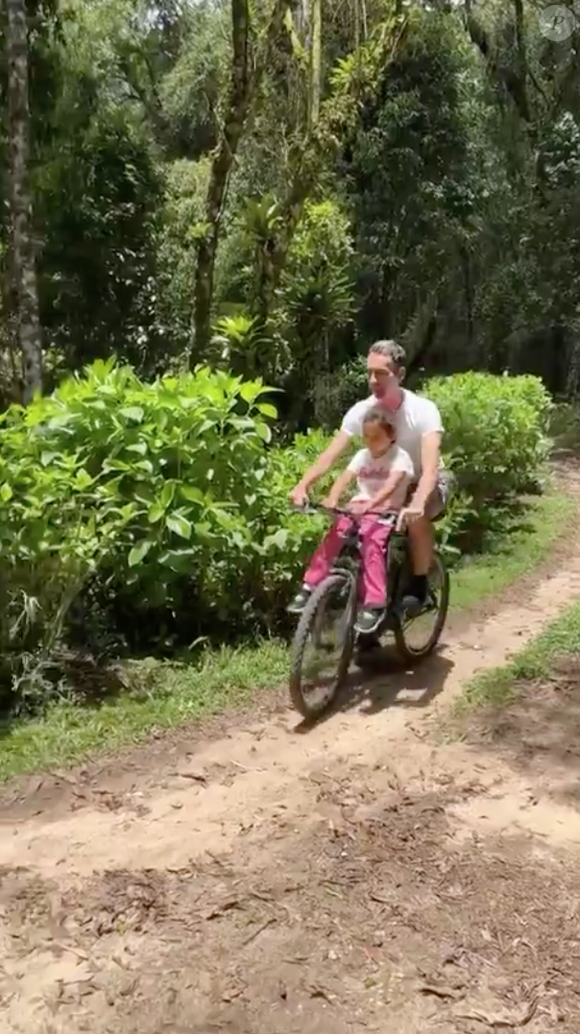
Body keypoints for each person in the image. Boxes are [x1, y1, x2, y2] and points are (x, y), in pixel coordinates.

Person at [290, 339, 453, 612]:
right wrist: (303, 486)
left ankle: (420, 583)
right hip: (383, 481)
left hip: (425, 479)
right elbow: (330, 455)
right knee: (354, 529)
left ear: (400, 375)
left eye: (381, 373)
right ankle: (367, 612)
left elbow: (430, 468)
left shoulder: (423, 411)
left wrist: (416, 503)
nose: (373, 380)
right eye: (369, 373)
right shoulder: (363, 410)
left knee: (417, 513)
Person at [288, 409, 414, 634]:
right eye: (366, 436)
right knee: (335, 535)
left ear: (391, 435)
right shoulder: (362, 456)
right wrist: (333, 497)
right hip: (360, 508)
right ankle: (311, 585)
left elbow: (391, 485)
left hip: (386, 510)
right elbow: (345, 478)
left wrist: (373, 504)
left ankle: (374, 603)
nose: (370, 442)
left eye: (376, 437)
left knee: (372, 543)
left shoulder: (400, 457)